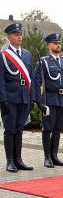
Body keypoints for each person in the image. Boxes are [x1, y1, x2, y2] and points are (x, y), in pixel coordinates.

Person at [33, 33, 63, 168]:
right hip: (49, 99)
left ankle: (54, 155)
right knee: (47, 129)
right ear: (49, 46)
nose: (58, 45)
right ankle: (47, 157)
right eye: (55, 43)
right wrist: (39, 102)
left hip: (62, 99)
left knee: (57, 129)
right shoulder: (43, 62)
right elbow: (35, 82)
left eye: (59, 43)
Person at [0, 23, 34, 172]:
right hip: (10, 96)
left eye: (20, 34)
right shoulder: (3, 55)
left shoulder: (27, 55)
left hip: (24, 96)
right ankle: (10, 161)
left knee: (19, 129)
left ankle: (18, 159)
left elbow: (31, 78)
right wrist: (3, 99)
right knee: (10, 129)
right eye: (16, 34)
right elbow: (0, 79)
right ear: (9, 37)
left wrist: (32, 98)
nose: (19, 36)